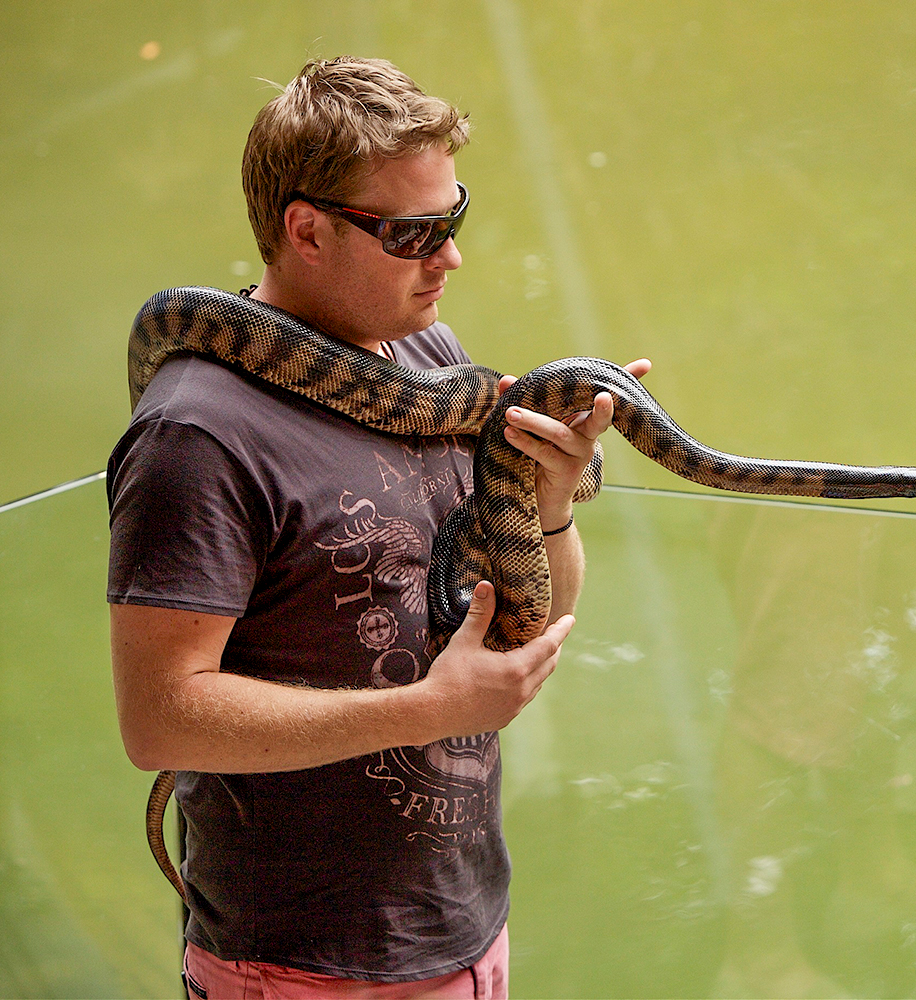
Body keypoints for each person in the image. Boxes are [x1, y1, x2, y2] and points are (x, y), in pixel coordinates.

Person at [107, 57, 647, 998]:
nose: (450, 258)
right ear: (305, 230)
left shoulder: (424, 355)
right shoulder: (197, 434)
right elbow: (159, 719)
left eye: (454, 218)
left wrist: (553, 502)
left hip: (460, 932)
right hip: (303, 967)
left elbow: (528, 613)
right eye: (412, 233)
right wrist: (433, 709)